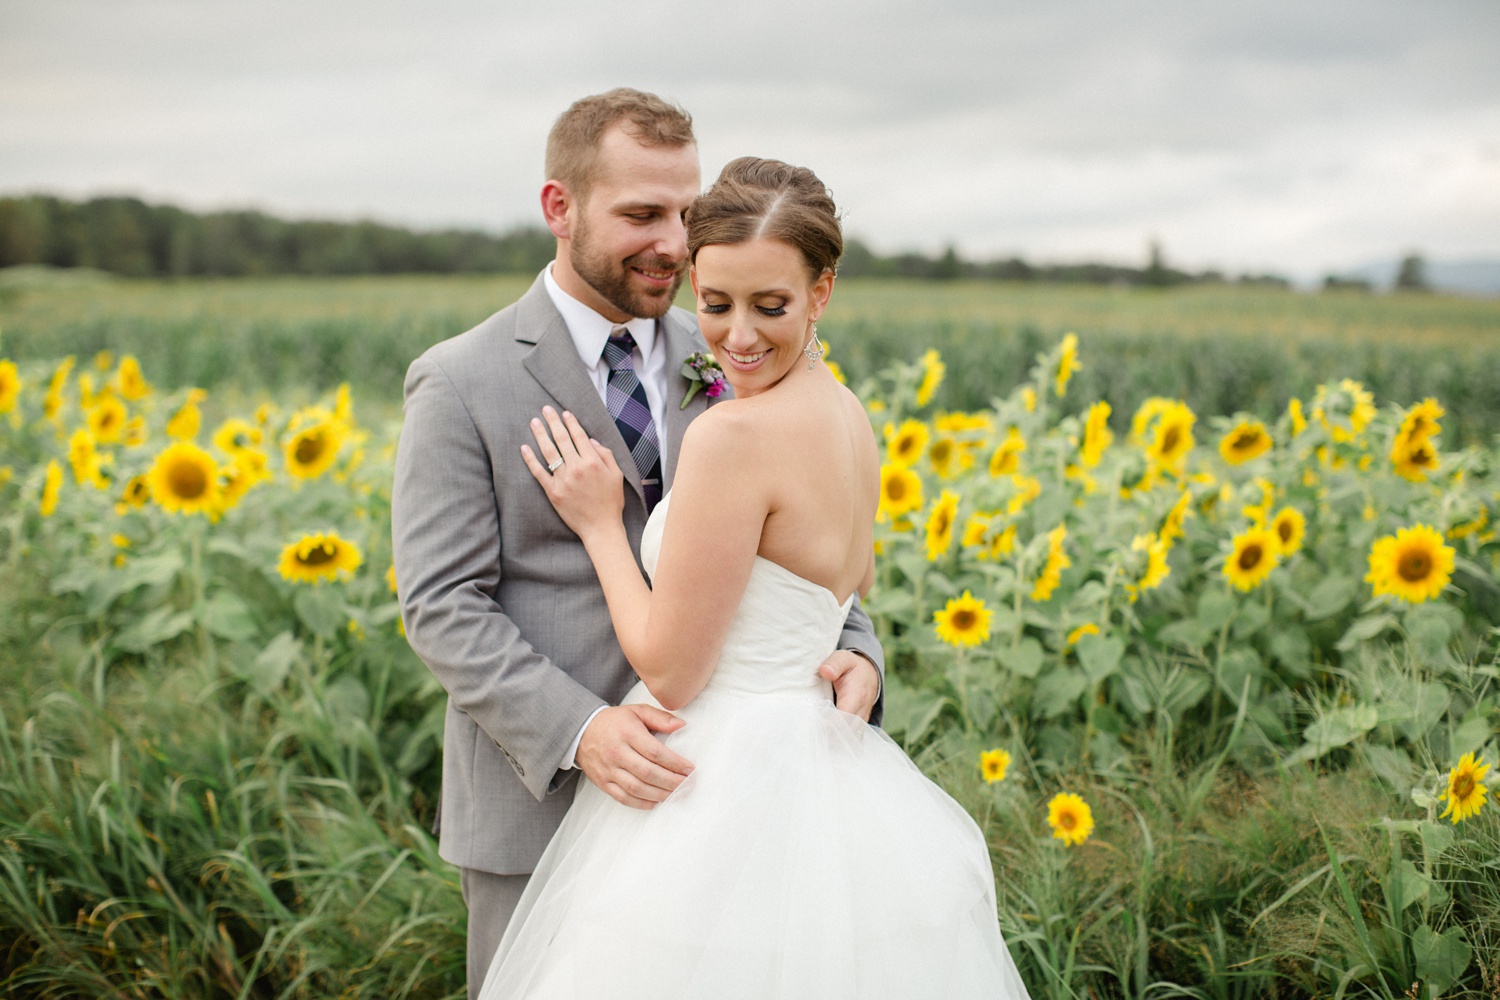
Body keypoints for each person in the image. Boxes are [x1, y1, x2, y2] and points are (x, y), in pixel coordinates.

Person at [480, 157, 1031, 998]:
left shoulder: (733, 438)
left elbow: (670, 669)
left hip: (719, 780)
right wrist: (844, 650)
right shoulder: (848, 413)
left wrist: (599, 526)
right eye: (716, 303)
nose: (736, 337)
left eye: (770, 306)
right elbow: (842, 579)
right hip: (822, 765)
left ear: (821, 292)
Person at [390, 90, 886, 998]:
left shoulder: (735, 343)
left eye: (686, 212)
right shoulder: (464, 380)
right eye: (641, 214)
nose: (673, 240)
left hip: (728, 807)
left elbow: (801, 535)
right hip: (538, 809)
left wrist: (855, 650)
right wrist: (581, 732)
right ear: (560, 208)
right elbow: (440, 606)